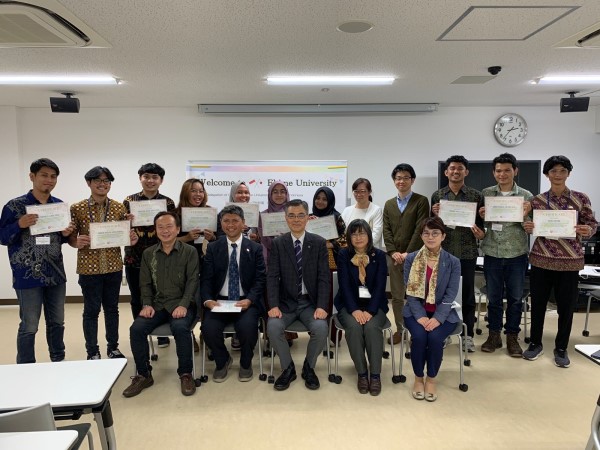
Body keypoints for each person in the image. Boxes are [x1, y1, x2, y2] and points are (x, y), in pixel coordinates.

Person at [523, 155, 597, 367]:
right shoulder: (537, 200)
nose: (558, 175)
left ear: (568, 173)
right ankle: (535, 344)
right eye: (553, 171)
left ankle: (561, 348)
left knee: (566, 307)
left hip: (569, 261)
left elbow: (592, 224)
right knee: (538, 305)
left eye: (562, 170)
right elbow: (527, 222)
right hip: (541, 260)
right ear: (547, 174)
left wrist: (588, 229)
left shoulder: (581, 198)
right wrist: (528, 226)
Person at [0, 158, 74, 364]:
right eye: (44, 175)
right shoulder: (14, 206)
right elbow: (3, 238)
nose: (49, 180)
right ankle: (26, 366)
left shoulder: (58, 206)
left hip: (55, 274)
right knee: (29, 325)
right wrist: (19, 224)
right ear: (32, 176)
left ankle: (58, 360)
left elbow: (61, 239)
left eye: (53, 176)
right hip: (27, 276)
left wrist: (66, 234)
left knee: (57, 322)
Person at [123, 211, 199, 397]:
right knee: (136, 329)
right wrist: (146, 304)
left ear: (178, 229)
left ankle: (186, 374)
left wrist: (184, 304)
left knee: (180, 328)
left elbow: (192, 282)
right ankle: (143, 374)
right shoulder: (148, 253)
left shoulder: (189, 252)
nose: (165, 231)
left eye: (169, 226)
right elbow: (145, 283)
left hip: (181, 304)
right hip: (156, 305)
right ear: (156, 230)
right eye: (161, 227)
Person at [69, 166, 137, 360]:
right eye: (98, 180)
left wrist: (131, 236)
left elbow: (125, 235)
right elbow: (70, 237)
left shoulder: (119, 207)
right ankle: (92, 351)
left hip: (113, 267)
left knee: (112, 309)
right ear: (88, 183)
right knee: (91, 311)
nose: (102, 184)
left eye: (106, 181)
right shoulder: (77, 208)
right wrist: (75, 241)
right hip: (88, 268)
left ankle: (113, 347)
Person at [267, 199, 330, 391]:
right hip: (285, 304)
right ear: (286, 218)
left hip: (309, 303)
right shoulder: (278, 243)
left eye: (301, 215)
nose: (296, 220)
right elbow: (272, 277)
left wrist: (321, 306)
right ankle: (288, 368)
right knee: (273, 327)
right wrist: (273, 305)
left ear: (307, 217)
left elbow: (324, 278)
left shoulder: (318, 243)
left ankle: (309, 367)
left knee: (321, 328)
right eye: (292, 216)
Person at [201, 205, 266, 382]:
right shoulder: (213, 248)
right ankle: (222, 361)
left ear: (243, 223)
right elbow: (206, 279)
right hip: (219, 301)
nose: (231, 225)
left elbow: (260, 279)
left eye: (235, 220)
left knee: (247, 328)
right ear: (221, 223)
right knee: (208, 328)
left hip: (245, 301)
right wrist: (208, 300)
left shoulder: (255, 248)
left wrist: (250, 300)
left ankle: (245, 363)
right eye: (226, 221)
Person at [479, 153, 533, 357]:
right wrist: (482, 217)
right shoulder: (486, 193)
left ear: (515, 171)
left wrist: (526, 216)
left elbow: (531, 226)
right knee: (493, 298)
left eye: (507, 170)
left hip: (516, 255)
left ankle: (512, 336)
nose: (502, 174)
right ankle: (494, 335)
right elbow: (482, 225)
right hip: (492, 252)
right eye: (498, 171)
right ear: (494, 173)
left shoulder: (526, 196)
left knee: (515, 299)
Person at [403, 217, 460, 402]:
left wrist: (437, 318)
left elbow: (450, 295)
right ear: (421, 236)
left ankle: (431, 379)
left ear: (443, 236)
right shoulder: (411, 259)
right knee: (419, 337)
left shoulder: (453, 262)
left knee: (435, 338)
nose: (430, 237)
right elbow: (410, 293)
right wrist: (420, 316)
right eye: (426, 233)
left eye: (435, 233)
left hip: (443, 313)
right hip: (416, 311)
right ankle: (418, 378)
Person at [431, 156, 484, 352]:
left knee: (467, 296)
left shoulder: (476, 196)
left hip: (467, 253)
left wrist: (480, 233)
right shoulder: (437, 196)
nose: (455, 171)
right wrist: (434, 214)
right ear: (446, 172)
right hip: (443, 254)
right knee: (442, 295)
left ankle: (467, 335)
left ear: (466, 172)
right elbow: (433, 227)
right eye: (452, 168)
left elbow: (481, 226)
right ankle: (444, 333)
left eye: (460, 168)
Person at [123, 163, 176, 349]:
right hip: (135, 258)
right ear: (140, 178)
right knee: (137, 298)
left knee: (160, 295)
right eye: (146, 176)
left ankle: (161, 335)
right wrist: (126, 223)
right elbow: (120, 229)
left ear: (161, 180)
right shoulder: (129, 201)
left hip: (161, 258)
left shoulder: (168, 203)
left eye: (155, 177)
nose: (150, 180)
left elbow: (171, 229)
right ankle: (142, 332)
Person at [334, 219, 388, 396]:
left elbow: (380, 287)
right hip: (349, 305)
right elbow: (344, 285)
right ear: (349, 237)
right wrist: (355, 310)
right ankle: (362, 373)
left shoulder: (379, 256)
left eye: (362, 233)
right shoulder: (343, 255)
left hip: (375, 305)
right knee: (354, 327)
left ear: (369, 235)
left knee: (372, 328)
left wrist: (370, 311)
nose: (358, 237)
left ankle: (375, 375)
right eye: (354, 234)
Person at [383, 163, 430, 344]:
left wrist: (407, 253)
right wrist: (393, 252)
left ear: (412, 180)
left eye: (405, 178)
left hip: (416, 257)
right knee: (396, 296)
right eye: (398, 178)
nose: (401, 181)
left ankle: (416, 331)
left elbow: (420, 229)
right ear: (394, 181)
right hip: (394, 258)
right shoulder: (389, 204)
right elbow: (387, 230)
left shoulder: (421, 201)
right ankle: (400, 330)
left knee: (415, 296)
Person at [341, 178, 384, 250]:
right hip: (349, 251)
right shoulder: (347, 210)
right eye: (356, 191)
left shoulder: (376, 210)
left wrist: (359, 249)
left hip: (369, 251)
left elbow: (376, 235)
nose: (359, 194)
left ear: (369, 192)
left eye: (362, 191)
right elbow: (342, 233)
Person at [310, 186, 346, 270]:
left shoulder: (336, 217)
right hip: (313, 258)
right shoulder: (310, 217)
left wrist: (331, 244)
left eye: (324, 199)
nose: (320, 201)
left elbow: (345, 238)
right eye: (318, 198)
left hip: (332, 258)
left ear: (330, 201)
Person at [258, 181, 290, 265]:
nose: (279, 195)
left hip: (291, 256)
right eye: (275, 192)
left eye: (282, 192)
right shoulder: (263, 215)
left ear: (286, 194)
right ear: (270, 195)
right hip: (269, 257)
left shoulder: (292, 215)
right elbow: (264, 239)